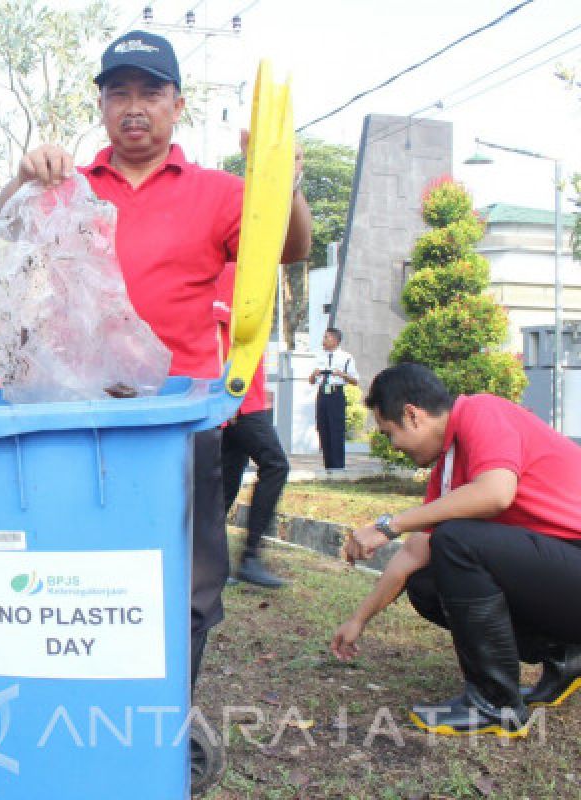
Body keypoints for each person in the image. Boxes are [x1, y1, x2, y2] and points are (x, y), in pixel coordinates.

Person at [0, 29, 312, 692]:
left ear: (177, 104)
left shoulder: (221, 191)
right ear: (104, 107)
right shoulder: (67, 185)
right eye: (119, 93)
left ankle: (168, 708)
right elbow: (6, 230)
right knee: (89, 567)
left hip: (181, 417)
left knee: (191, 572)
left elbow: (288, 248)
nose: (133, 106)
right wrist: (22, 177)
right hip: (82, 411)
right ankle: (99, 696)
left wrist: (285, 184)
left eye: (150, 92)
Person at [333, 363, 581, 738]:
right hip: (564, 575)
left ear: (412, 415)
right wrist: (358, 620)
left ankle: (495, 704)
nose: (393, 446)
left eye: (389, 433)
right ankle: (565, 653)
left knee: (456, 539)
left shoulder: (481, 411)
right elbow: (412, 556)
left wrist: (389, 525)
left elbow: (496, 494)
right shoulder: (449, 468)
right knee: (426, 585)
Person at [214, 265, 289, 589]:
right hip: (236, 398)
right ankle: (250, 558)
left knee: (224, 486)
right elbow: (215, 333)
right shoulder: (231, 268)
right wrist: (222, 397)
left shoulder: (253, 271)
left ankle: (211, 562)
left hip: (246, 396)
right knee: (275, 464)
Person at [308, 327, 357, 470]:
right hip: (322, 393)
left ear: (335, 340)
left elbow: (355, 380)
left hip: (336, 394)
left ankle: (338, 466)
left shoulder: (346, 357)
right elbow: (311, 381)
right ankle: (328, 465)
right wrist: (314, 374)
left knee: (336, 429)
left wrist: (341, 374)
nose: (323, 340)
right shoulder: (319, 356)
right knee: (323, 427)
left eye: (326, 337)